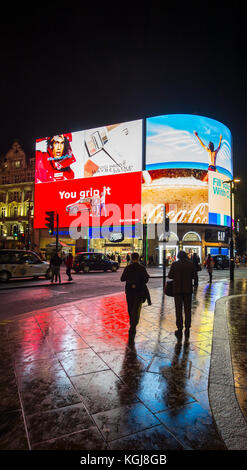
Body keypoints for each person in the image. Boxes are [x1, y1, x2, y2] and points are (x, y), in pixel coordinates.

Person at [121, 252, 150, 345]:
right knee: (137, 309)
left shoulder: (128, 268)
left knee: (130, 308)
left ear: (131, 258)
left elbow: (122, 279)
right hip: (139, 291)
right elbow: (146, 280)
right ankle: (133, 325)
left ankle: (132, 324)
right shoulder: (142, 268)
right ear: (138, 258)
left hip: (129, 291)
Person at [168, 250, 195, 341]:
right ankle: (187, 329)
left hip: (177, 290)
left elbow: (170, 276)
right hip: (188, 290)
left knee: (178, 310)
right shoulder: (190, 264)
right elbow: (194, 276)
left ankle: (179, 329)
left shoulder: (175, 264)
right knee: (188, 310)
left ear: (178, 256)